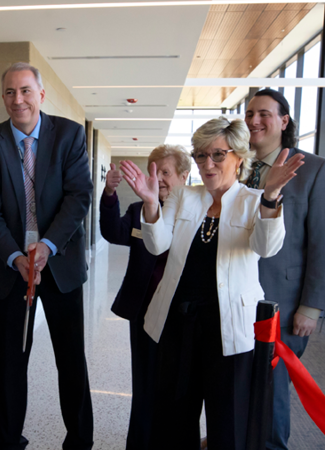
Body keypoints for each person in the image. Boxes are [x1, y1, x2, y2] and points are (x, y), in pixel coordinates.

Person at [119, 116, 303, 450]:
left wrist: (271, 195)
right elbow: (158, 244)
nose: (208, 163)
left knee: (228, 420)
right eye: (201, 155)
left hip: (230, 327)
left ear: (239, 158)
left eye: (218, 155)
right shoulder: (184, 196)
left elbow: (267, 247)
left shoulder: (254, 200)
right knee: (174, 418)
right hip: (177, 323)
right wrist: (150, 204)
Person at [0, 62, 94, 450]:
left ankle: (79, 439)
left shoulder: (70, 135)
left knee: (70, 360)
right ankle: (9, 440)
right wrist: (15, 256)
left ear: (41, 94)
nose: (18, 99)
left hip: (59, 263)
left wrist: (46, 246)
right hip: (10, 266)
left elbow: (79, 197)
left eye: (25, 91)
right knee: (9, 363)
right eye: (10, 92)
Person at [243, 89, 325, 450]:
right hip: (238, 297)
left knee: (272, 392)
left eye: (264, 114)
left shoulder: (313, 168)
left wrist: (311, 307)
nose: (254, 120)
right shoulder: (240, 166)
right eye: (250, 113)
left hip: (282, 304)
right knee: (242, 383)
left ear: (284, 121)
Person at [99, 145, 191, 450]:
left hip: (180, 314)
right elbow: (114, 233)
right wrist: (110, 194)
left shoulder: (195, 213)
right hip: (143, 310)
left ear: (184, 176)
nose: (159, 178)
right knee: (145, 383)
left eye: (165, 172)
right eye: (154, 171)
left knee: (177, 386)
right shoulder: (138, 210)